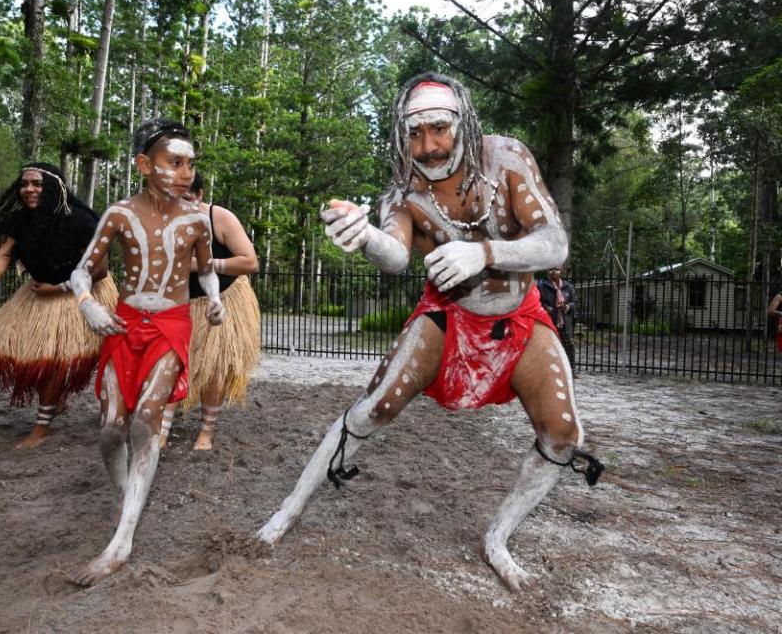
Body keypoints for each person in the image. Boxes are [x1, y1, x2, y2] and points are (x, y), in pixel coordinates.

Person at [256, 73, 603, 592]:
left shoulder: (505, 158)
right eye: (415, 134)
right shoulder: (403, 190)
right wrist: (366, 236)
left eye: (440, 129)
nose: (429, 146)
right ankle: (286, 511)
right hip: (448, 315)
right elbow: (395, 256)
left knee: (564, 436)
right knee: (373, 408)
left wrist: (483, 252)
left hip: (521, 315)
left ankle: (498, 539)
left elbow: (554, 244)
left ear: (463, 121)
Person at [68, 118, 224, 586]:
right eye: (174, 162)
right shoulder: (118, 214)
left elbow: (207, 271)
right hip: (123, 322)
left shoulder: (198, 220)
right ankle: (128, 498)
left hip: (171, 326)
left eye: (190, 164)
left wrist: (214, 298)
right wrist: (87, 306)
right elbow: (80, 272)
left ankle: (123, 539)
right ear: (143, 164)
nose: (185, 172)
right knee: (111, 429)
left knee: (145, 421)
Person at [0, 163, 118, 449]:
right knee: (24, 354)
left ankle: (41, 428)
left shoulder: (79, 221)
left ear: (54, 188)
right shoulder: (20, 221)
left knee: (51, 362)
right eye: (24, 184)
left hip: (82, 293)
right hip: (40, 293)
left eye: (37, 184)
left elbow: (98, 270)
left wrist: (59, 288)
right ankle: (56, 399)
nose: (28, 189)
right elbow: (0, 256)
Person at [159, 172, 260, 451]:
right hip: (180, 303)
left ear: (200, 195)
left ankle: (206, 431)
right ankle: (162, 431)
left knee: (213, 369)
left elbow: (250, 262)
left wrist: (202, 264)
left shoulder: (221, 218)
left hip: (222, 299)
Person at [538, 267, 576, 375]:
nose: (554, 271)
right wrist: (547, 308)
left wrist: (568, 306)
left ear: (561, 272)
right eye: (550, 269)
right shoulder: (542, 286)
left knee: (569, 344)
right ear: (547, 272)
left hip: (565, 320)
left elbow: (574, 302)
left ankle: (572, 370)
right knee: (550, 345)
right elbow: (538, 301)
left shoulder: (568, 287)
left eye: (556, 269)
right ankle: (548, 369)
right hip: (549, 320)